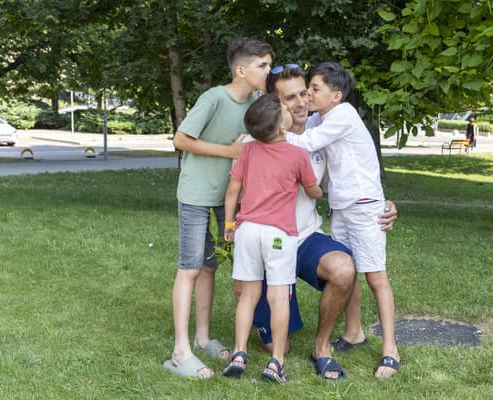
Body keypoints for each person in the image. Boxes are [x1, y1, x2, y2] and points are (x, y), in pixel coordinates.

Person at [248, 64, 398, 381]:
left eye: (306, 92)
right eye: (291, 97)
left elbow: (355, 164)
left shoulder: (323, 129)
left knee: (346, 267)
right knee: (280, 346)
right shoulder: (254, 142)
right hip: (267, 246)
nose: (302, 102)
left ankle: (323, 347)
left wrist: (382, 203)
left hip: (303, 238)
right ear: (273, 103)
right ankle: (341, 330)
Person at [163, 37, 273, 379]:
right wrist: (228, 152)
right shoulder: (214, 98)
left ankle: (203, 337)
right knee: (190, 267)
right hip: (196, 194)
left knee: (210, 267)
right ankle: (180, 351)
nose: (268, 71)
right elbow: (181, 140)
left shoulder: (256, 102)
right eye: (263, 66)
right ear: (241, 70)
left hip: (230, 198)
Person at [222, 94, 322, 383]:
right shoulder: (297, 154)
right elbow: (312, 189)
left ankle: (239, 353)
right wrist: (318, 192)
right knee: (279, 297)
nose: (289, 108)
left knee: (248, 296)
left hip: (247, 230)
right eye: (284, 109)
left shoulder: (249, 150)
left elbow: (232, 190)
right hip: (279, 234)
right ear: (280, 128)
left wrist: (230, 223)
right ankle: (276, 362)